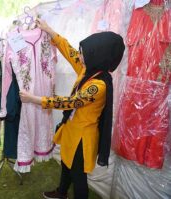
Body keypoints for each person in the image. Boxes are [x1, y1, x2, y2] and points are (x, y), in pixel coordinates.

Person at [19, 19, 125, 199]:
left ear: (98, 55)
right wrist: (49, 30)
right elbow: (69, 51)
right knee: (66, 163)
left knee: (78, 177)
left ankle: (66, 193)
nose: (80, 56)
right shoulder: (88, 70)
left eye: (83, 53)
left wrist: (34, 99)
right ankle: (61, 192)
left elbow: (70, 102)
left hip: (82, 137)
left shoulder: (98, 85)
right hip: (73, 130)